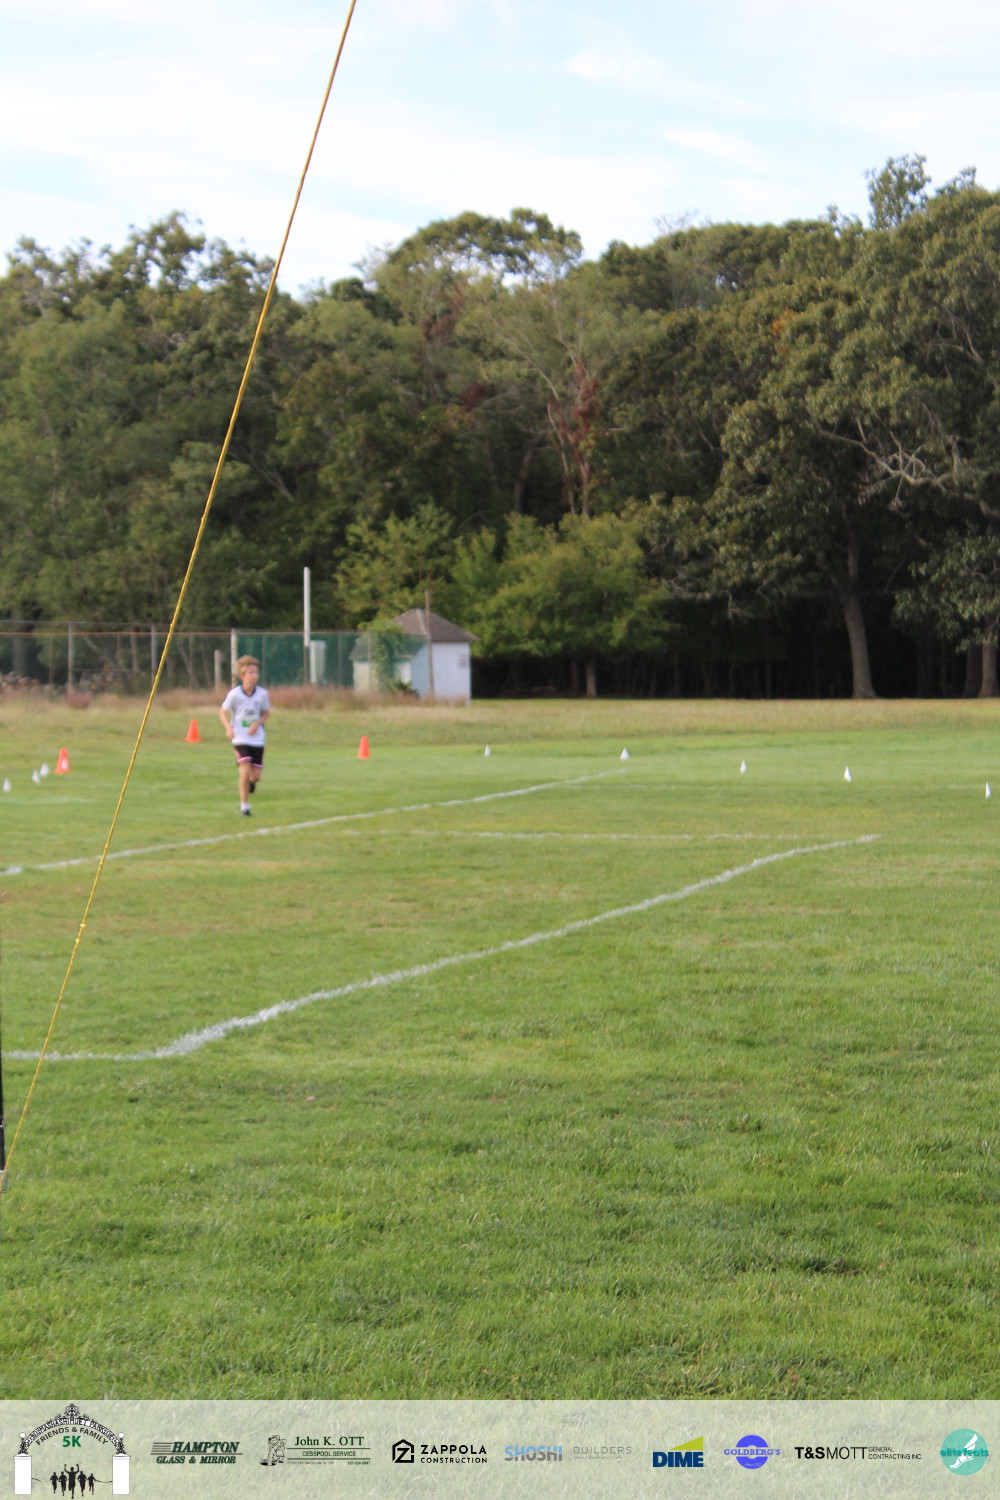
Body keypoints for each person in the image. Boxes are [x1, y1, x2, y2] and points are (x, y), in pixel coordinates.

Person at [219, 655, 271, 816]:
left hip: (257, 738)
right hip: (240, 737)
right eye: (251, 672)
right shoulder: (235, 694)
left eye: (256, 672)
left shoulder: (262, 694)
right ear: (242, 675)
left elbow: (266, 712)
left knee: (256, 776)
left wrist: (257, 723)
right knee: (245, 770)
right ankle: (245, 807)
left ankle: (251, 782)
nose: (254, 675)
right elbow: (223, 712)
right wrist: (228, 728)